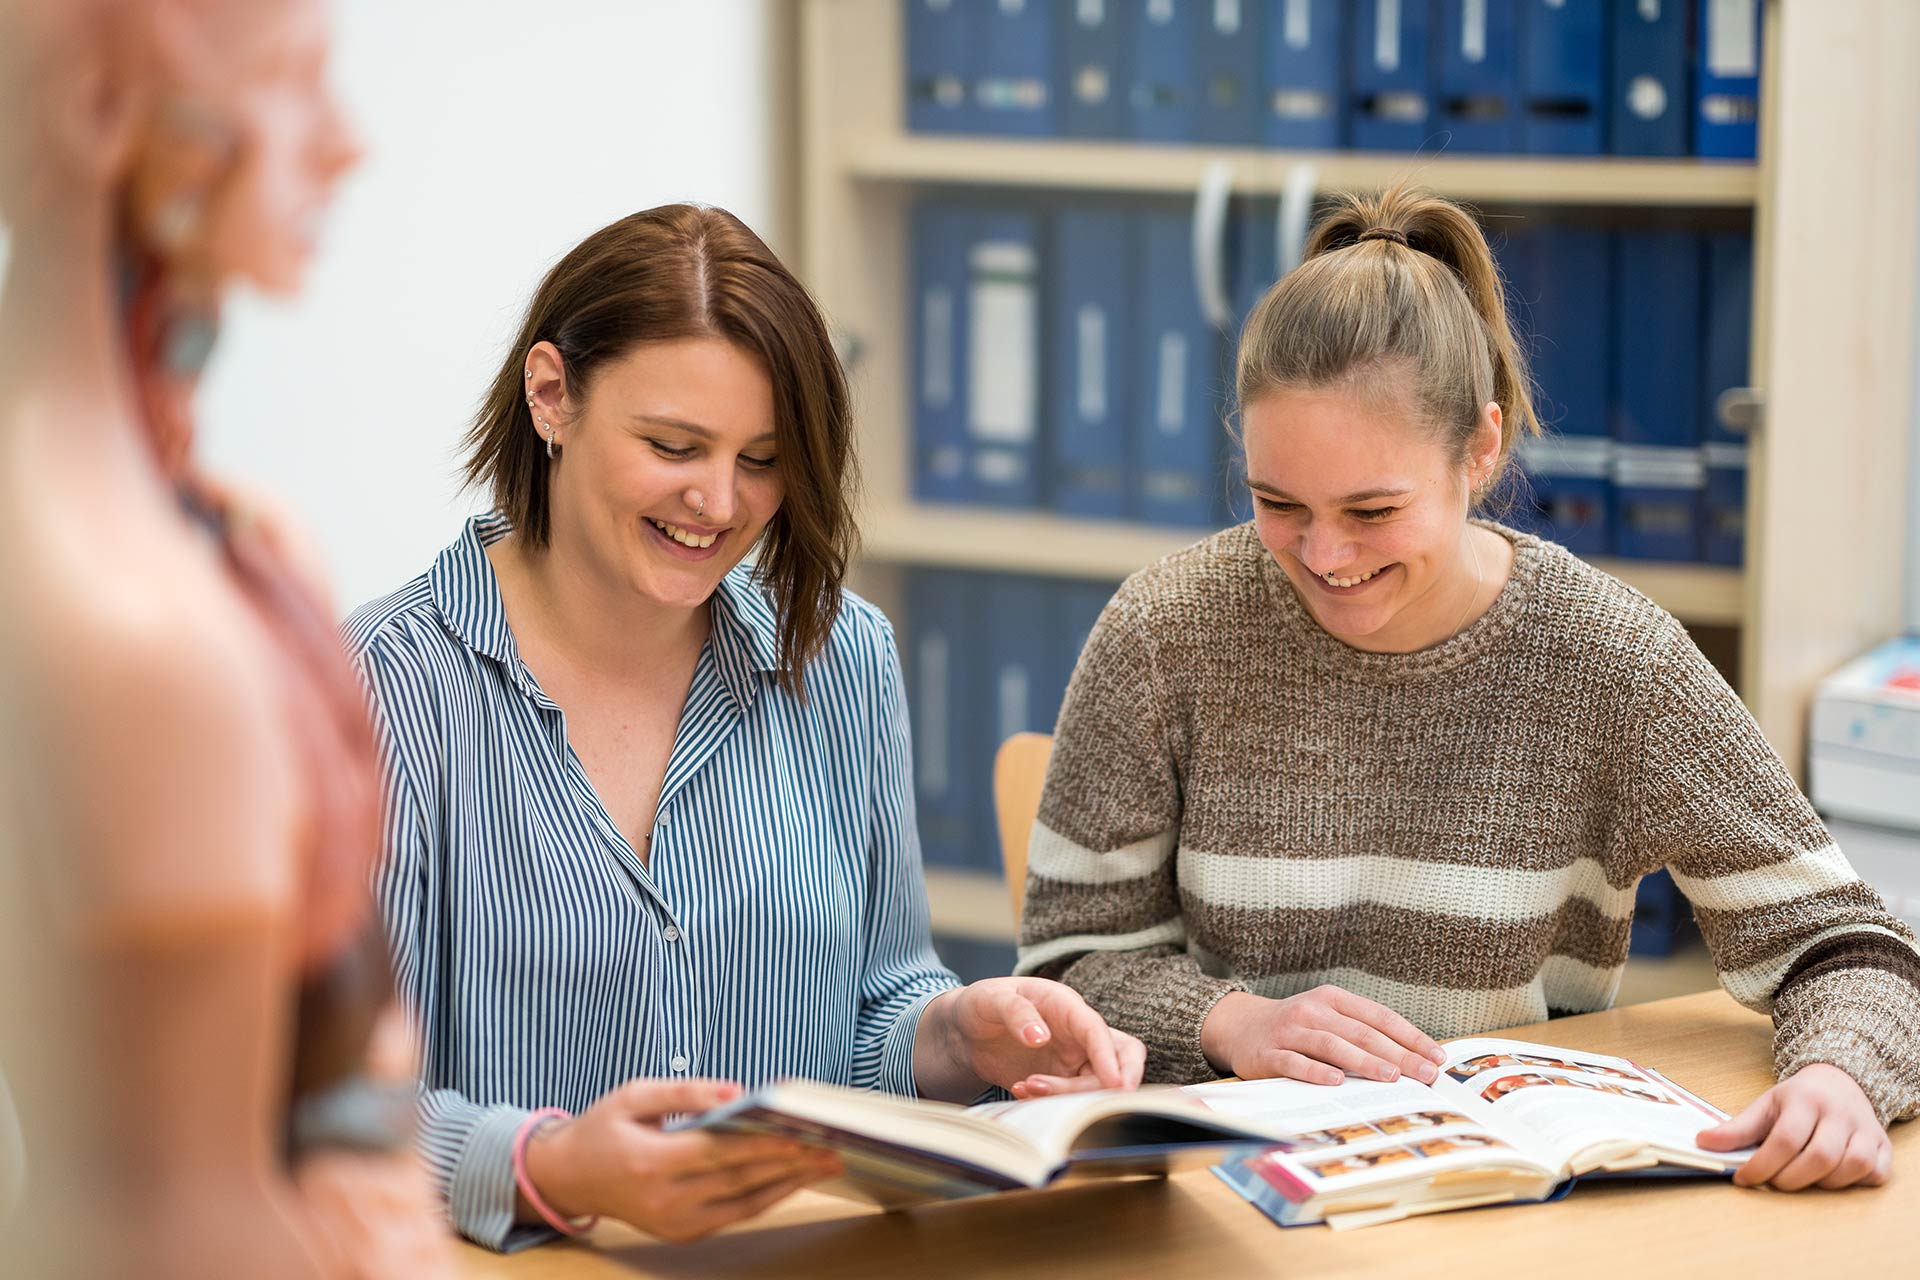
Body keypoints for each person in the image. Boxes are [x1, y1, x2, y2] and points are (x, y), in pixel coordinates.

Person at [1016, 185, 1919, 1193]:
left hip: (1503, 1202)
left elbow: (1852, 946)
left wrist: (1839, 1076)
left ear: (1481, 449)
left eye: (1372, 509)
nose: (1321, 552)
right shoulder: (1165, 629)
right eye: (1279, 502)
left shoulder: (1610, 659)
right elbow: (1062, 972)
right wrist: (1236, 1021)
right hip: (1221, 1198)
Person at [344, 203, 1146, 1252]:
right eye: (673, 445)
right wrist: (551, 1163)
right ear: (551, 394)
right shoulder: (383, 688)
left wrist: (960, 1031)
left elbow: (877, 1005)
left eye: (761, 459)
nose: (718, 501)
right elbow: (332, 1119)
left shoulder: (840, 654)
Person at [0, 1, 450, 1276]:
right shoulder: (136, 628)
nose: (346, 145)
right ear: (99, 112)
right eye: (296, 83)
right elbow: (176, 1219)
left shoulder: (211, 546)